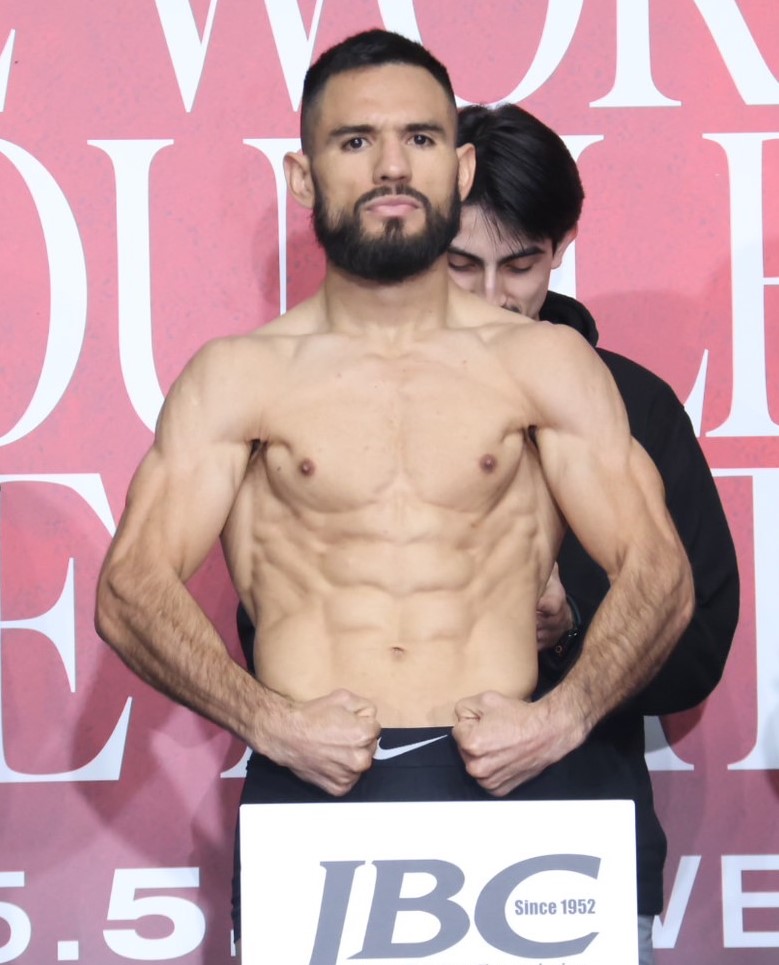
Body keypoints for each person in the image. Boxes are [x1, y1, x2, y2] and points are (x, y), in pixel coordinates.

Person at [94, 30, 694, 953]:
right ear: (303, 178)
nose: (390, 166)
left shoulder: (544, 365)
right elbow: (130, 587)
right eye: (354, 140)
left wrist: (561, 718)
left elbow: (661, 571)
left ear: (459, 167)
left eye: (419, 138)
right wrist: (268, 722)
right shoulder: (240, 378)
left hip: (513, 796)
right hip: (313, 799)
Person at [442, 102, 738, 963]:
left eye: (519, 264)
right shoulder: (332, 400)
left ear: (561, 246)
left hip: (573, 851)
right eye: (459, 265)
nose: (492, 297)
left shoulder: (634, 406)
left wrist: (572, 622)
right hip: (362, 840)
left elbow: (698, 646)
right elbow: (266, 627)